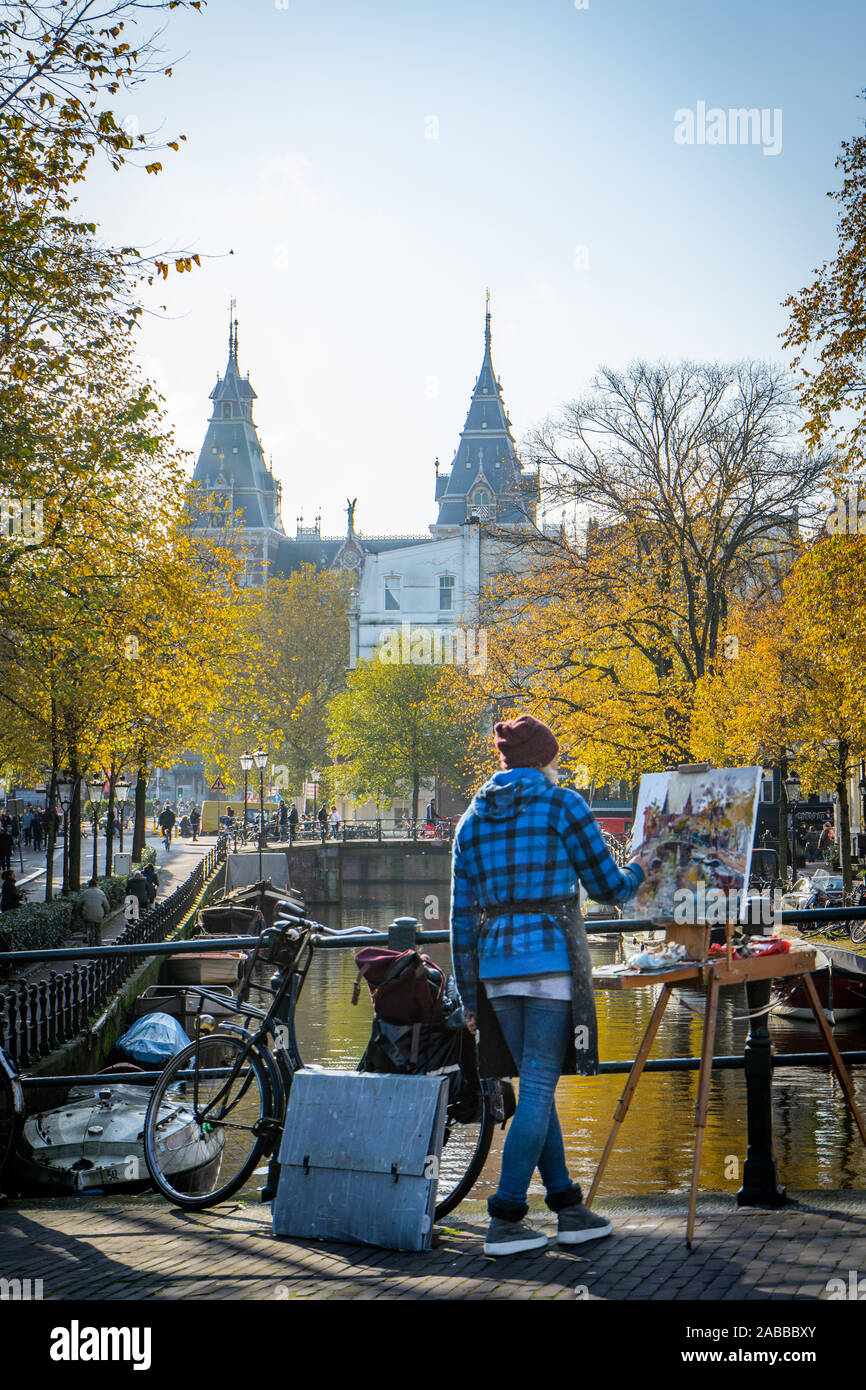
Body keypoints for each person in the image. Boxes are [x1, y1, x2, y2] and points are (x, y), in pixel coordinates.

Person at [450, 714, 653, 1258]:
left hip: (495, 970)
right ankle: (506, 1216)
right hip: (550, 963)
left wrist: (469, 996)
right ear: (544, 758)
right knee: (539, 1088)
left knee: (538, 1087)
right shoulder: (563, 804)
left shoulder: (470, 819)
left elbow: (459, 917)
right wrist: (641, 866)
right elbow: (609, 887)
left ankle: (567, 1207)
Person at [78, 881, 111, 946]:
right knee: (98, 931)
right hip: (98, 916)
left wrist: (80, 913)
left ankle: (86, 934)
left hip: (87, 916)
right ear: (96, 885)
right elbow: (106, 905)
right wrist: (107, 913)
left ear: (89, 885)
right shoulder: (101, 893)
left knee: (86, 923)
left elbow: (79, 905)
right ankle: (98, 944)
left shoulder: (84, 893)